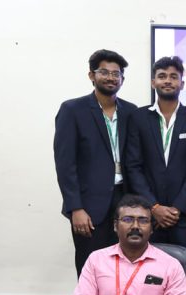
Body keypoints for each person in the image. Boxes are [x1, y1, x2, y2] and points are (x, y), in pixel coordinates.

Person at [55, 49, 138, 277]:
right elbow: (65, 164)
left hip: (125, 199)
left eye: (116, 73)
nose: (110, 77)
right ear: (92, 75)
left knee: (125, 266)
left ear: (122, 79)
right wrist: (75, 208)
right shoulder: (73, 110)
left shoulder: (131, 112)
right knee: (90, 267)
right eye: (104, 72)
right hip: (89, 205)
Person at [124, 56, 186, 253]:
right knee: (147, 266)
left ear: (182, 83)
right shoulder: (138, 118)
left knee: (184, 267)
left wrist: (177, 208)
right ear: (153, 82)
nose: (168, 81)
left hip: (184, 215)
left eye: (173, 76)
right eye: (162, 76)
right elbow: (133, 166)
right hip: (147, 214)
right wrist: (154, 207)